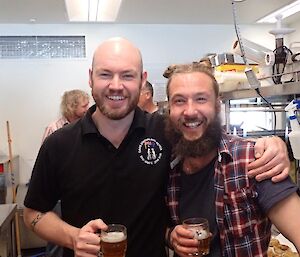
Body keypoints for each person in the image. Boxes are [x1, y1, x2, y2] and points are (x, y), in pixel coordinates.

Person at [23, 37, 291, 257]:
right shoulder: (58, 144)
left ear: (142, 81)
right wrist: (72, 237)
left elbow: (210, 138)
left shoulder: (165, 132)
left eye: (127, 75)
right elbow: (33, 212)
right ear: (91, 78)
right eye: (106, 74)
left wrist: (272, 144)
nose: (116, 85)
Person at [164, 63, 300, 257]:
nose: (190, 111)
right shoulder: (165, 166)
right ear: (169, 109)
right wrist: (171, 236)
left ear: (217, 106)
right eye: (179, 101)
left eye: (201, 99)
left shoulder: (254, 159)